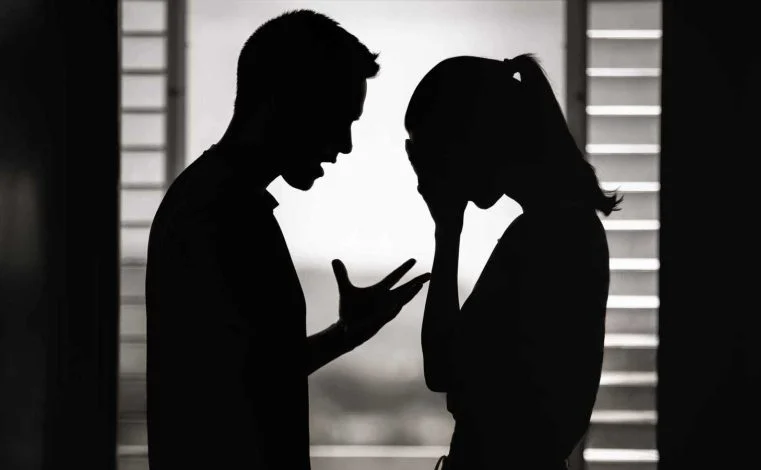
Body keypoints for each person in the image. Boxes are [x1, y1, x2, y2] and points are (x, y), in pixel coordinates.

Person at [145, 10, 430, 469]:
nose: (345, 145)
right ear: (289, 102)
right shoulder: (221, 213)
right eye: (339, 118)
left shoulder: (215, 202)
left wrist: (344, 334)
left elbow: (251, 372)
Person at [404, 54, 620, 469]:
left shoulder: (548, 235)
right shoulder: (561, 227)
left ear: (474, 138)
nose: (438, 171)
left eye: (439, 152)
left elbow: (442, 369)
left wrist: (447, 229)